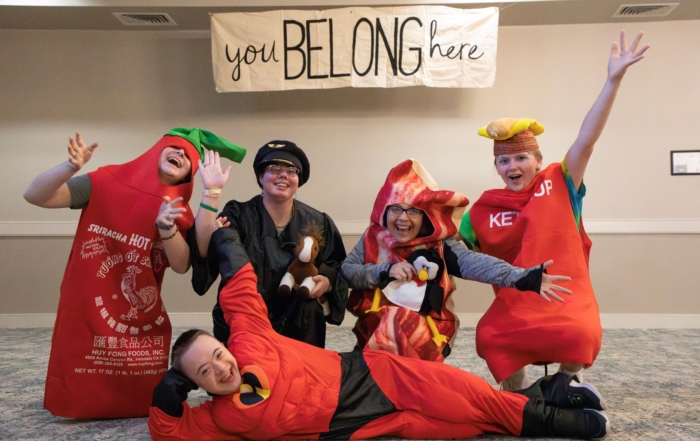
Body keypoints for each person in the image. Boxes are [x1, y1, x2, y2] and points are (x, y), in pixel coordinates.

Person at [148, 245, 610, 440]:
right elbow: (170, 432)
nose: (221, 368)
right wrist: (167, 391)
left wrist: (226, 239)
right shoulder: (221, 418)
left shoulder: (249, 343)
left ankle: (554, 417)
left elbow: (240, 292)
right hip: (357, 427)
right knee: (464, 426)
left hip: (369, 374)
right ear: (198, 387)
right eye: (205, 371)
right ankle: (543, 395)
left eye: (216, 354)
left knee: (468, 397)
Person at [457, 31, 650, 391]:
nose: (512, 166)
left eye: (520, 157)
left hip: (567, 295)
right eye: (503, 160)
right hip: (518, 300)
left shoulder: (561, 181)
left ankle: (566, 381)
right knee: (488, 335)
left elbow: (586, 140)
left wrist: (613, 79)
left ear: (537, 160)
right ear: (496, 167)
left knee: (583, 331)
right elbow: (454, 251)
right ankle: (515, 390)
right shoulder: (482, 209)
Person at [23, 128, 245, 418]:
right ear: (157, 150)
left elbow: (180, 265)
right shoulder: (104, 181)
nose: (179, 154)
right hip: (87, 300)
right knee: (82, 356)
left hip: (139, 308)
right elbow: (35, 196)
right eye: (174, 148)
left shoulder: (180, 211)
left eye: (188, 156)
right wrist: (70, 167)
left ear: (189, 175)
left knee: (136, 381)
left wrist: (168, 227)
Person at [341, 159, 571, 362]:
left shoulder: (440, 243)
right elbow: (348, 271)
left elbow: (476, 263)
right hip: (373, 327)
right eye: (396, 210)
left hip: (430, 330)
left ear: (426, 215)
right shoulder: (373, 237)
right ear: (385, 211)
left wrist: (523, 277)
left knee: (398, 342)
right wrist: (385, 270)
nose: (402, 219)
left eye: (412, 211)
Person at [189, 140, 348, 348]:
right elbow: (206, 251)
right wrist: (211, 192)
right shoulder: (237, 214)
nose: (283, 175)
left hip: (299, 322)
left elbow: (337, 266)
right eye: (274, 168)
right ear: (260, 177)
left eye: (292, 170)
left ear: (298, 180)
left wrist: (327, 280)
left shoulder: (318, 222)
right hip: (245, 319)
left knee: (301, 376)